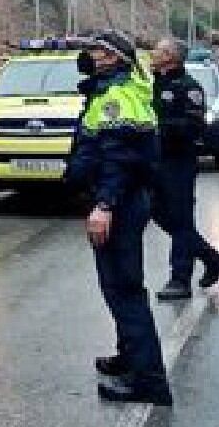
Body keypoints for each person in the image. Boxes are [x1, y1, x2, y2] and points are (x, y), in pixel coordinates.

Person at [65, 29, 172, 405]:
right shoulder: (118, 90)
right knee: (120, 288)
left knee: (124, 291)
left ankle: (149, 382)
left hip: (120, 203)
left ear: (113, 58)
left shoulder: (117, 97)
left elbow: (119, 158)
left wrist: (104, 205)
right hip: (125, 200)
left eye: (95, 50)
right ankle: (130, 358)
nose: (89, 56)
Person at [149, 37, 219, 300]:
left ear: (172, 58)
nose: (154, 54)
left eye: (160, 51)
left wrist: (159, 127)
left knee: (181, 219)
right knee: (162, 216)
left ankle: (180, 280)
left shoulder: (189, 87)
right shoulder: (154, 85)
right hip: (157, 160)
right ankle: (213, 260)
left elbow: (194, 125)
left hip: (179, 161)